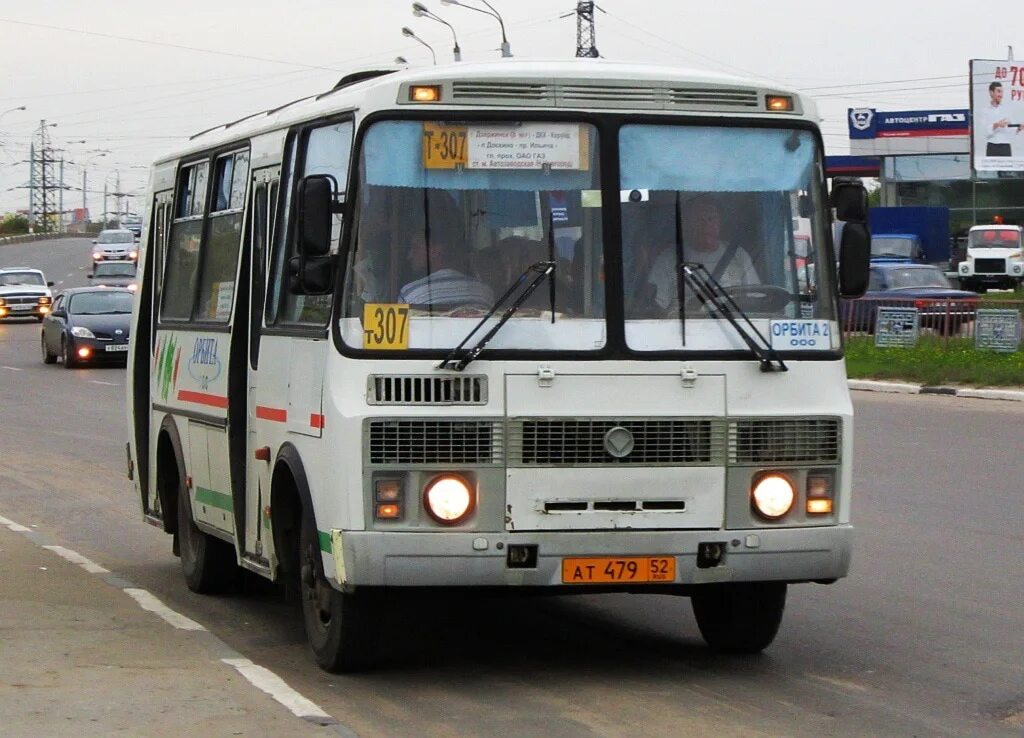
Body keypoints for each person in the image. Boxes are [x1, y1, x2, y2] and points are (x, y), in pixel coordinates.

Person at [645, 196, 759, 312]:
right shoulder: (669, 258)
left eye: (711, 219)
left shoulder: (738, 255)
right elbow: (657, 307)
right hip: (685, 326)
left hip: (734, 325)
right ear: (687, 224)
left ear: (719, 223)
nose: (705, 225)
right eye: (699, 220)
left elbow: (754, 299)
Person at [398, 230, 494, 308]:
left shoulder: (409, 294)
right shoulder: (485, 292)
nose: (409, 256)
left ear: (436, 251)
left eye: (415, 248)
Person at [979, 81, 1020, 158]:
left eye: (1002, 92)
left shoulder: (1007, 109)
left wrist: (1018, 129)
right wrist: (996, 125)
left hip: (1005, 147)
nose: (1001, 95)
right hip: (992, 146)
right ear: (991, 93)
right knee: (992, 169)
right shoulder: (984, 110)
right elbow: (983, 132)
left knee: (1006, 170)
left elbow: (1011, 130)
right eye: (998, 91)